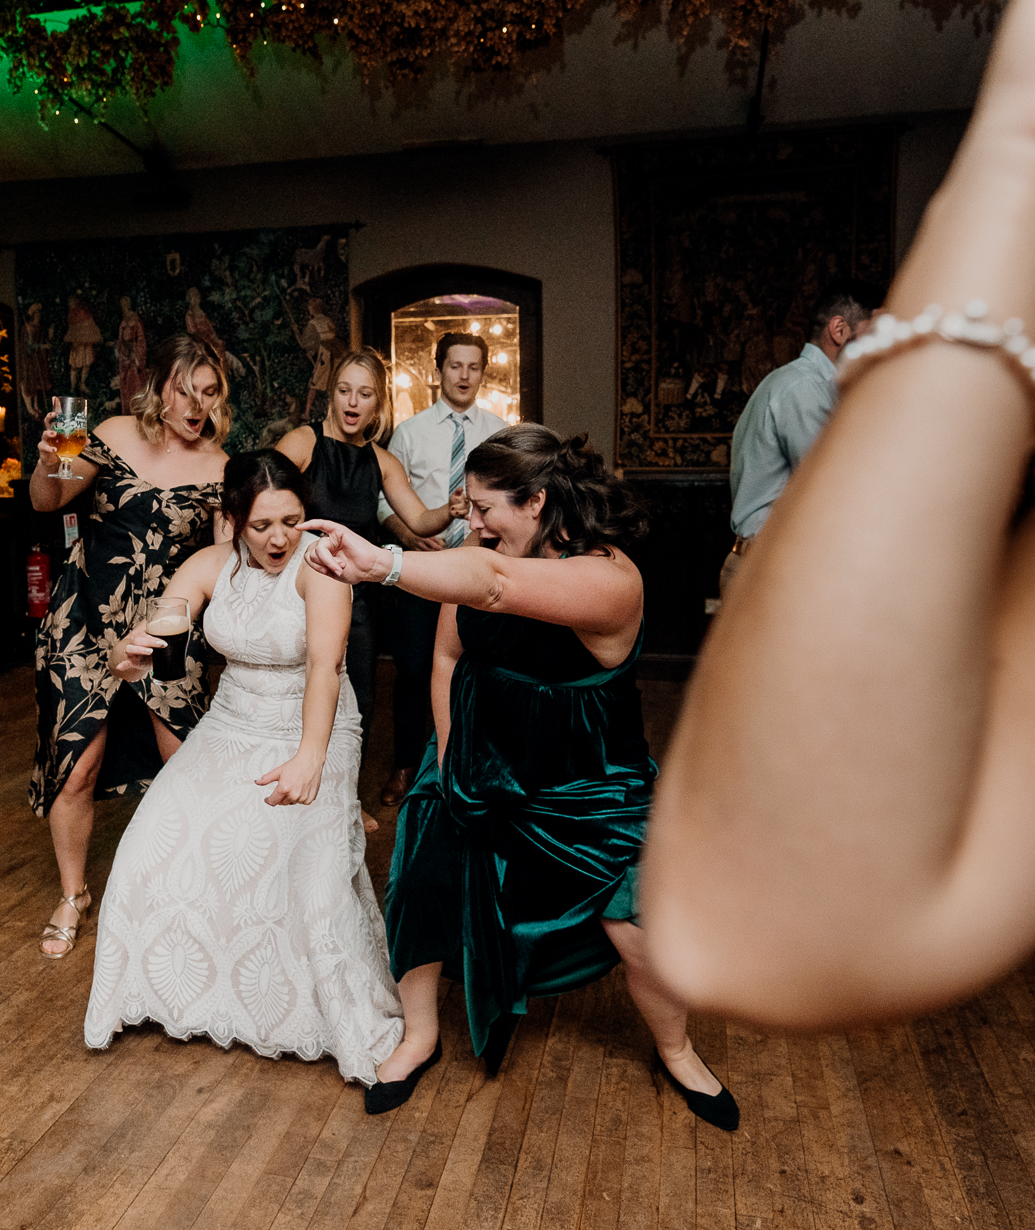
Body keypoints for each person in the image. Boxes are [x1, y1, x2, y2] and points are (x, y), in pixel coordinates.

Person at [645, 0, 1035, 1029]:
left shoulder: (795, 383)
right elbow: (850, 500)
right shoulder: (812, 391)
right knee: (792, 798)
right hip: (780, 562)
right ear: (839, 333)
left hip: (776, 565)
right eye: (869, 336)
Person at [299, 425, 738, 1129]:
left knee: (638, 924)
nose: (468, 522)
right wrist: (449, 760)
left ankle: (677, 1049)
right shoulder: (482, 550)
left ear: (536, 501)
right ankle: (419, 1035)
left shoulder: (612, 579)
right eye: (465, 506)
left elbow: (498, 589)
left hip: (587, 776)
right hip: (479, 753)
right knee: (420, 874)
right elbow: (448, 656)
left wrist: (384, 563)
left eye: (481, 507)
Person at [84, 451, 404, 1091]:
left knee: (306, 877)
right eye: (262, 525)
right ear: (232, 520)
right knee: (149, 848)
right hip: (231, 723)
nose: (281, 537)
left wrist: (310, 754)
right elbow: (168, 621)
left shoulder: (322, 567)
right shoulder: (208, 565)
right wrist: (131, 653)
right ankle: (181, 999)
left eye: (292, 518)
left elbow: (325, 668)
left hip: (317, 724)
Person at [29, 334, 228, 958]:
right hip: (85, 617)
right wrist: (46, 461)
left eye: (210, 392)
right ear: (160, 386)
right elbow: (48, 500)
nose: (196, 405)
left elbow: (225, 556)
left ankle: (191, 893)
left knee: (182, 767)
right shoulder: (112, 433)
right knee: (77, 765)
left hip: (169, 633)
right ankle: (72, 893)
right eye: (185, 388)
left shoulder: (224, 468)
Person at [275, 349, 465, 748]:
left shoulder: (383, 461)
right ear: (333, 394)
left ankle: (347, 802)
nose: (352, 402)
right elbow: (263, 494)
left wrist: (450, 509)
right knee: (297, 695)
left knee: (358, 699)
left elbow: (418, 521)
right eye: (345, 391)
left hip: (358, 599)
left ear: (378, 402)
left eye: (364, 394)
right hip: (299, 591)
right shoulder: (304, 441)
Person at [377, 332, 507, 805]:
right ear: (439, 371)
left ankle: (469, 763)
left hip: (476, 572)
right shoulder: (409, 433)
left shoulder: (499, 431)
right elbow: (381, 499)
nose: (465, 376)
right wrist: (406, 533)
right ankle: (407, 766)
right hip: (422, 570)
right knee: (412, 670)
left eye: (474, 367)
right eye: (455, 366)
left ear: (483, 372)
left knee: (477, 669)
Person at [720, 281, 880, 594]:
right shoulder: (804, 388)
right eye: (875, 333)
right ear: (839, 330)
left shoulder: (803, 384)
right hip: (770, 570)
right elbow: (830, 489)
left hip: (769, 562)